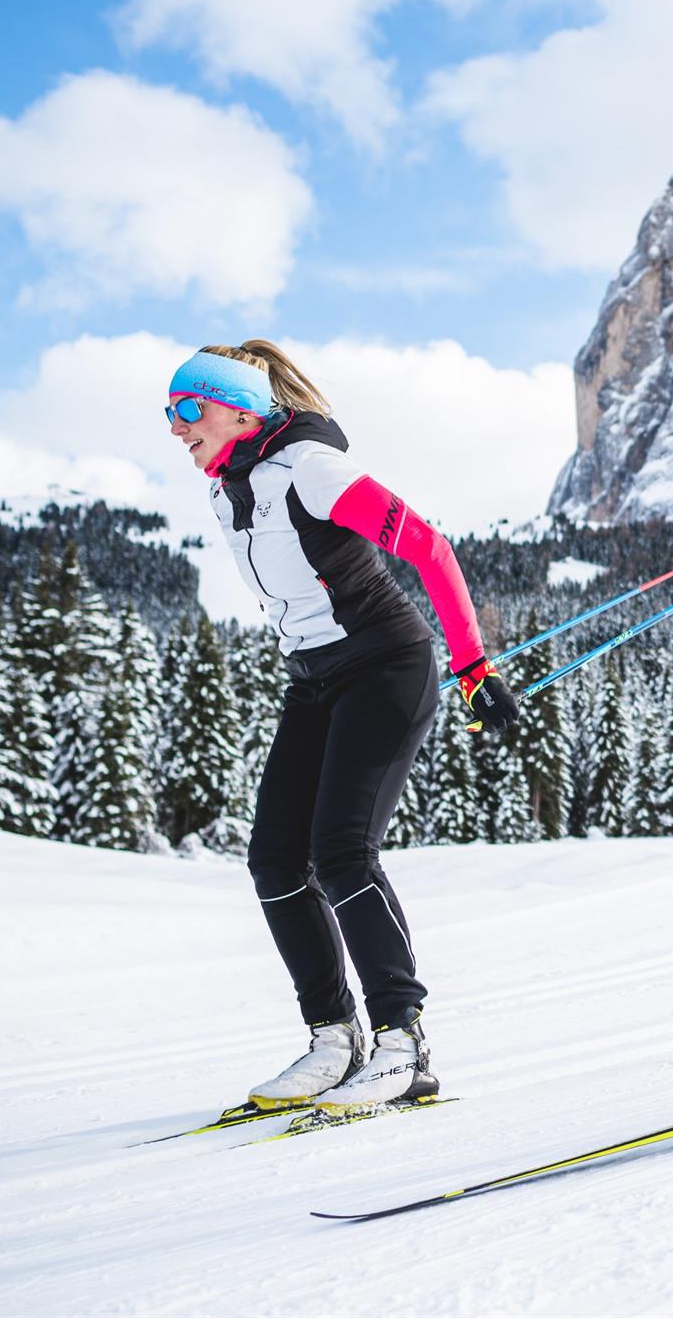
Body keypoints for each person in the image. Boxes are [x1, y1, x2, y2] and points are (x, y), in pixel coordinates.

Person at [165, 342, 517, 1114]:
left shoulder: (309, 470)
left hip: (387, 667)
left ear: (238, 407)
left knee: (343, 851)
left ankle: (404, 1042)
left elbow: (428, 547)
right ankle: (334, 1039)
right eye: (170, 414)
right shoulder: (228, 491)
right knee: (275, 859)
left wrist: (472, 667)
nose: (176, 427)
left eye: (187, 409)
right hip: (317, 679)